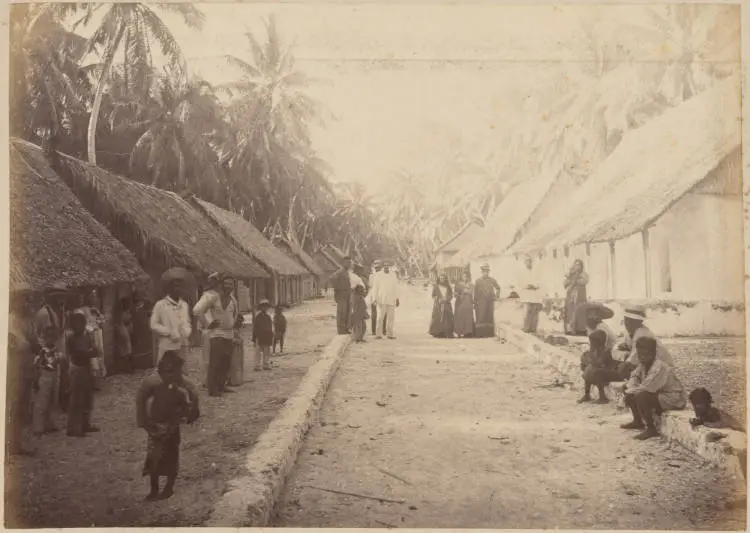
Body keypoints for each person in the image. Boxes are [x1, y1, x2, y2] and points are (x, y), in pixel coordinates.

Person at [136, 350, 199, 501]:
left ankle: (169, 487)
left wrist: (190, 413)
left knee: (171, 458)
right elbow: (141, 403)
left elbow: (193, 399)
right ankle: (154, 490)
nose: (170, 375)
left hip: (172, 428)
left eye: (174, 371)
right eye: (167, 371)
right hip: (155, 428)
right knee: (153, 459)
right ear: (160, 370)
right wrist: (145, 423)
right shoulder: (151, 383)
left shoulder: (183, 386)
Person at [620, 336, 686, 440]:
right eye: (640, 353)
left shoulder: (659, 367)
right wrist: (629, 386)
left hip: (673, 398)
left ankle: (651, 428)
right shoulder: (643, 365)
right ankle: (638, 421)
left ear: (653, 352)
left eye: (646, 353)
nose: (642, 356)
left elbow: (647, 388)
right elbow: (634, 376)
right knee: (629, 390)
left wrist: (629, 390)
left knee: (640, 395)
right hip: (659, 394)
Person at [193, 274, 242, 396]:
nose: (228, 286)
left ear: (233, 286)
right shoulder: (214, 297)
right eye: (226, 284)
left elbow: (235, 315)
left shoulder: (233, 300)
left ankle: (222, 385)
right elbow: (197, 310)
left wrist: (234, 326)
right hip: (216, 333)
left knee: (226, 362)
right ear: (221, 285)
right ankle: (212, 389)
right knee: (215, 362)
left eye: (230, 284)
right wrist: (208, 323)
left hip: (229, 334)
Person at [7, 295, 38, 456]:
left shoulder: (27, 321)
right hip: (13, 368)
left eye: (25, 299)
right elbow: (14, 345)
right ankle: (10, 443)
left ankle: (17, 443)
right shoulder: (9, 321)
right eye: (20, 299)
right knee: (13, 405)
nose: (24, 303)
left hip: (26, 367)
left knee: (23, 407)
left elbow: (33, 341)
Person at [66, 310, 99, 437]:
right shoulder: (71, 338)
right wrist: (89, 352)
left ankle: (85, 424)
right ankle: (73, 428)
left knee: (87, 398)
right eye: (77, 323)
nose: (80, 325)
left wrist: (89, 352)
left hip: (86, 368)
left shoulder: (87, 336)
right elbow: (79, 354)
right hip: (77, 369)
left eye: (81, 322)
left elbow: (95, 351)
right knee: (76, 400)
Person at [616, 306, 674, 376]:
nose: (628, 323)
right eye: (627, 320)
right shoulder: (630, 332)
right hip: (648, 364)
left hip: (661, 367)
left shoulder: (642, 333)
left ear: (640, 321)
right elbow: (620, 347)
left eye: (633, 321)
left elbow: (631, 361)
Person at [150, 277, 192, 366]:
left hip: (182, 344)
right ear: (169, 289)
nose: (178, 289)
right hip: (167, 344)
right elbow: (153, 324)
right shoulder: (160, 305)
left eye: (180, 287)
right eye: (175, 286)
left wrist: (187, 331)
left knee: (182, 371)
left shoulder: (184, 305)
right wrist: (169, 332)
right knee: (166, 370)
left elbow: (187, 322)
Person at [32, 326, 65, 436]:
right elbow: (37, 365)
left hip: (54, 376)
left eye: (54, 337)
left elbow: (59, 361)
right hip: (44, 377)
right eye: (49, 337)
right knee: (41, 402)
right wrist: (36, 379)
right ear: (45, 338)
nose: (52, 340)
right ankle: (38, 427)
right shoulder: (42, 351)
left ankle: (50, 423)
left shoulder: (56, 350)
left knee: (52, 401)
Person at [578, 329, 617, 404]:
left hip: (607, 373)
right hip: (598, 371)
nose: (591, 344)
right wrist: (585, 358)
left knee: (597, 372)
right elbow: (584, 358)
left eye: (593, 343)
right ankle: (587, 394)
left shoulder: (605, 351)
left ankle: (603, 397)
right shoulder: (595, 350)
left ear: (599, 343)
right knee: (587, 370)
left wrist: (590, 359)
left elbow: (599, 363)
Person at [80, 289, 107, 386]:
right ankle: (94, 379)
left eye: (95, 296)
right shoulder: (82, 310)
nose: (93, 298)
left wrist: (98, 315)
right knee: (93, 355)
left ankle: (100, 377)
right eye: (92, 296)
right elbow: (82, 323)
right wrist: (90, 328)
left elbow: (102, 320)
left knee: (100, 353)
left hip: (98, 333)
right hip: (89, 334)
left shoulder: (95, 309)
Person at [516, 256, 544, 334]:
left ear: (531, 262)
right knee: (527, 312)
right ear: (525, 263)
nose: (528, 263)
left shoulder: (536, 271)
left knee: (535, 312)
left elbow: (539, 281)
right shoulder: (522, 272)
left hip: (535, 294)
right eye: (527, 261)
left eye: (530, 261)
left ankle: (533, 328)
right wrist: (526, 286)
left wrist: (535, 286)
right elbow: (520, 283)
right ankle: (526, 328)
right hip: (526, 294)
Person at [473, 263, 500, 338]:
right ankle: (480, 334)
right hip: (481, 302)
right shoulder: (477, 281)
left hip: (489, 302)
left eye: (487, 271)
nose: (485, 272)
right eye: (484, 271)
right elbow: (475, 293)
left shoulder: (492, 280)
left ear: (489, 272)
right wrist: (475, 303)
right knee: (481, 316)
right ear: (481, 272)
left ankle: (489, 334)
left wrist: (496, 297)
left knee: (489, 316)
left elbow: (498, 288)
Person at [563, 260, 589, 335]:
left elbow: (584, 281)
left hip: (580, 297)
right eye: (576, 265)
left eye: (579, 265)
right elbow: (565, 284)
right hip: (571, 297)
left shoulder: (584, 275)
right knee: (571, 312)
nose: (577, 266)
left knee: (580, 311)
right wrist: (571, 278)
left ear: (581, 266)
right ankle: (570, 329)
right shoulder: (570, 275)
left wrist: (576, 279)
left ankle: (580, 329)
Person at [375, 261, 400, 340]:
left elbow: (396, 287)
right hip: (381, 299)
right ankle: (378, 334)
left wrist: (397, 298)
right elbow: (375, 288)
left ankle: (390, 334)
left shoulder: (393, 275)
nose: (386, 267)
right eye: (385, 265)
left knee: (391, 318)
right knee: (380, 317)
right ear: (383, 266)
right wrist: (375, 299)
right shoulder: (378, 275)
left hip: (391, 299)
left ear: (389, 266)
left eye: (388, 266)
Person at [331, 256, 354, 335]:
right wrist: (338, 289)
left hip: (347, 294)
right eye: (347, 262)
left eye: (349, 262)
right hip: (341, 295)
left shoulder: (347, 272)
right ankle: (341, 330)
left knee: (347, 312)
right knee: (342, 312)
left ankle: (345, 329)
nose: (349, 264)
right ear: (343, 262)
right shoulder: (340, 271)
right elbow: (332, 279)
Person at [429, 273, 454, 338]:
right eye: (441, 278)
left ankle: (446, 332)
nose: (442, 280)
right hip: (438, 305)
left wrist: (447, 299)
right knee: (437, 318)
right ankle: (437, 332)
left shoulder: (448, 287)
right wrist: (437, 298)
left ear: (445, 279)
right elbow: (433, 295)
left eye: (443, 278)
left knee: (447, 319)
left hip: (446, 304)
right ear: (439, 279)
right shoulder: (436, 287)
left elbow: (451, 296)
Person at [252, 299, 274, 371]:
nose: (265, 308)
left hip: (267, 336)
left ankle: (266, 364)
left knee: (266, 351)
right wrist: (254, 337)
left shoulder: (268, 317)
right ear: (260, 308)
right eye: (263, 307)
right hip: (259, 336)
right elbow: (255, 328)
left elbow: (270, 327)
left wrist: (271, 335)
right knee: (258, 351)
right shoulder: (258, 317)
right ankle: (257, 365)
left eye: (266, 307)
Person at [115, 297, 135, 373]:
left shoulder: (126, 312)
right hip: (123, 330)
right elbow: (125, 320)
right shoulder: (123, 313)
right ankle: (128, 368)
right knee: (126, 350)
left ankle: (129, 367)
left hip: (125, 330)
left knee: (127, 350)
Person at [453, 270, 476, 338]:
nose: (465, 278)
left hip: (468, 302)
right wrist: (457, 294)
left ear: (469, 277)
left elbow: (473, 294)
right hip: (460, 302)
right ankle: (459, 332)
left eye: (466, 276)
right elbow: (454, 294)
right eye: (464, 276)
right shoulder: (458, 285)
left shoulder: (472, 285)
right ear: (462, 277)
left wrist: (473, 303)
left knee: (468, 317)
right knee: (460, 317)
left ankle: (468, 332)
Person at [367, 261, 383, 336]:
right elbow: (370, 286)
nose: (377, 269)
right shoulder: (372, 276)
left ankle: (379, 330)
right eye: (376, 267)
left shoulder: (373, 276)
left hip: (379, 295)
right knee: (375, 314)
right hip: (376, 295)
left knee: (378, 313)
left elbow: (370, 286)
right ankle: (377, 330)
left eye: (378, 267)